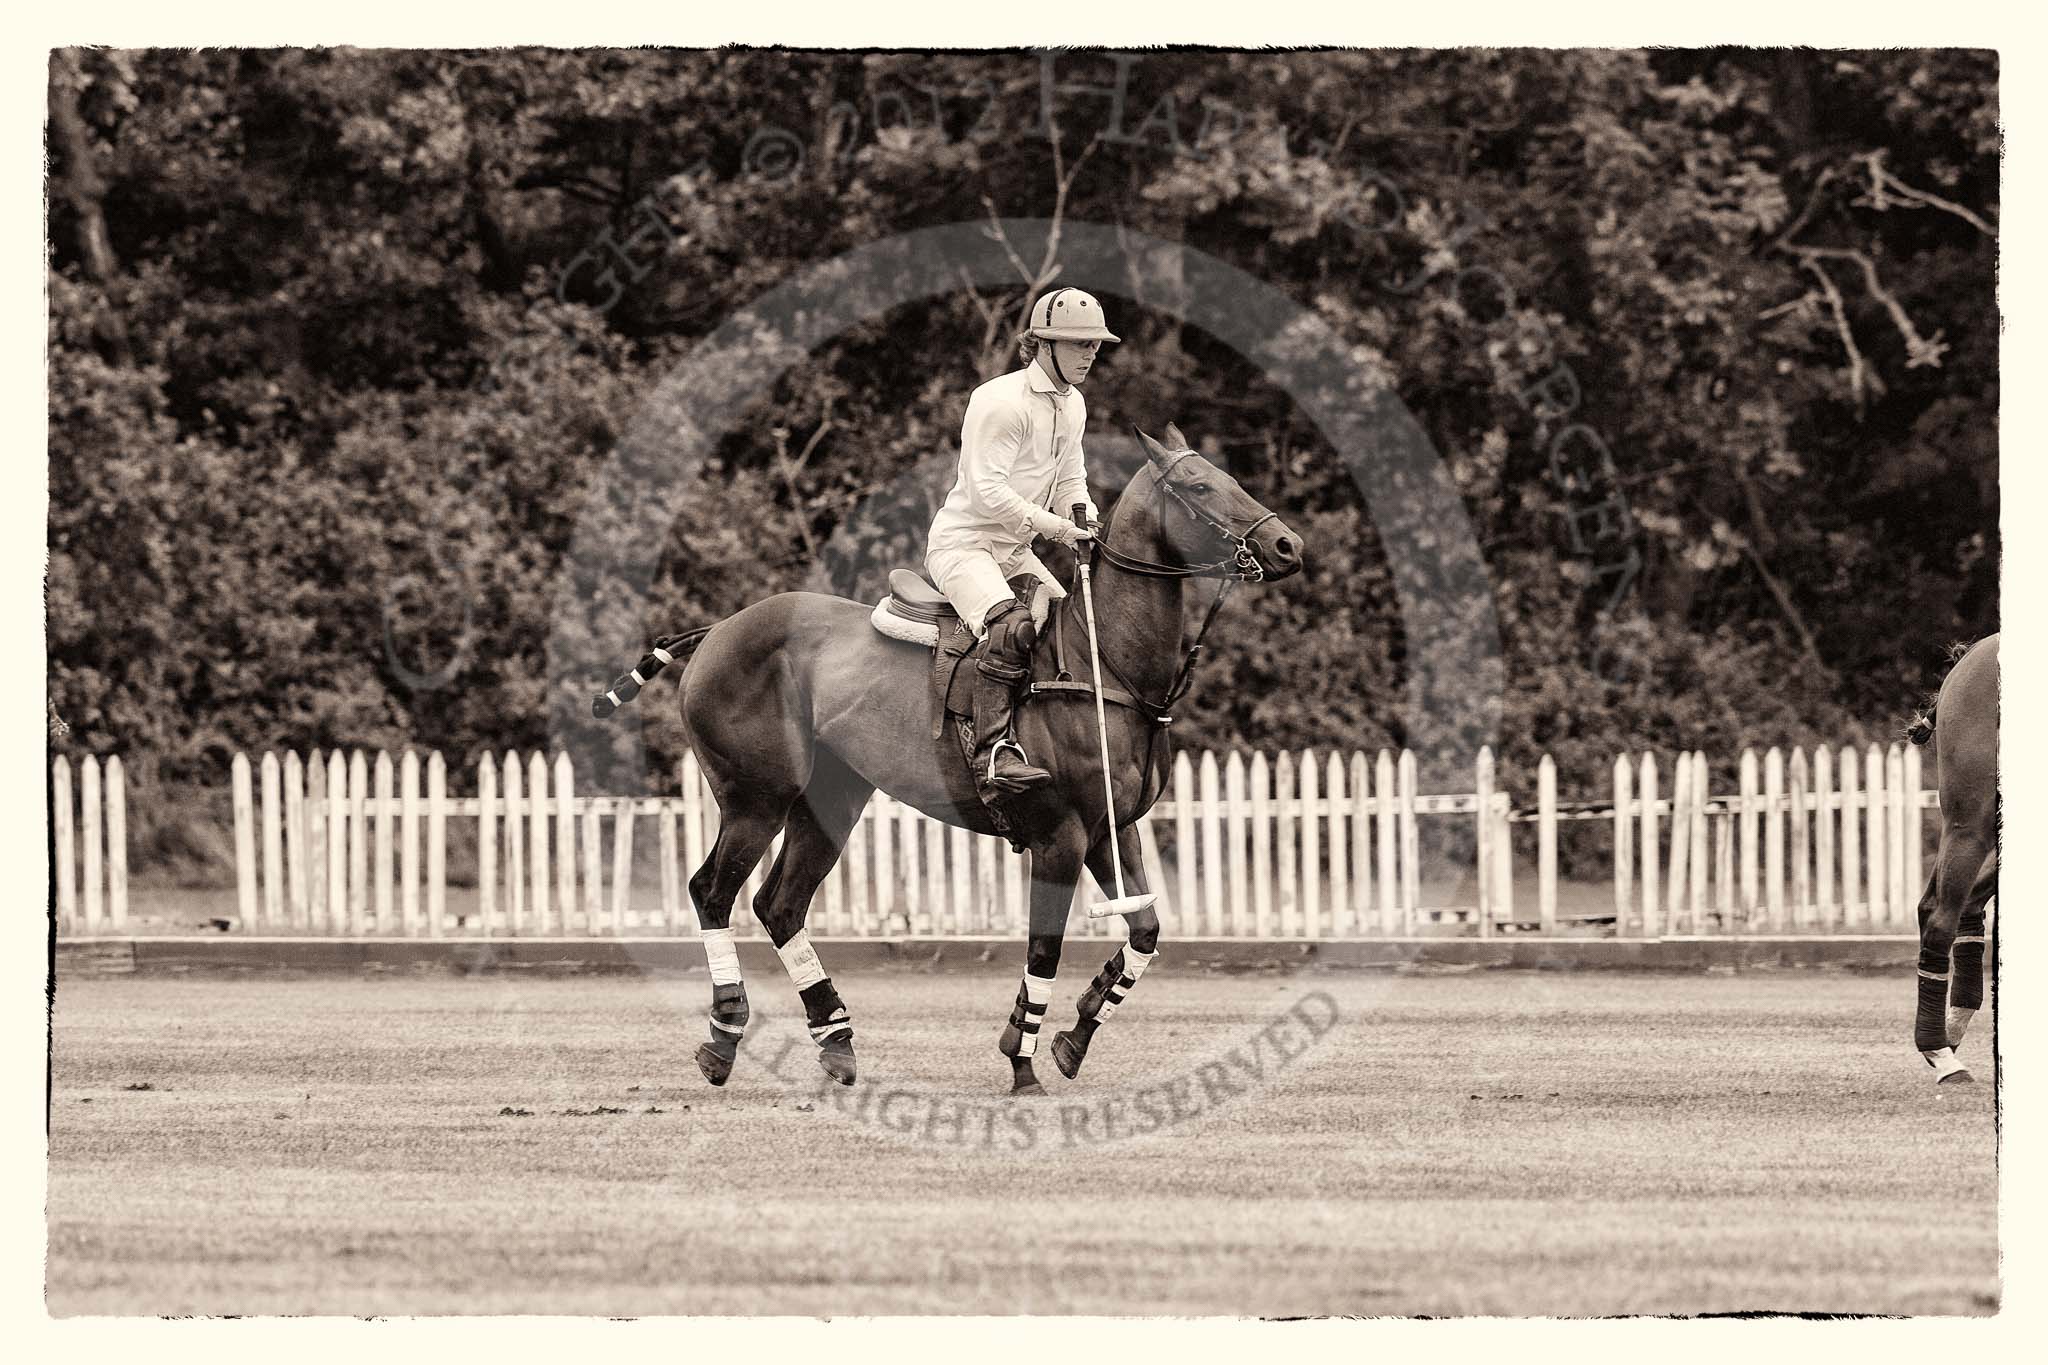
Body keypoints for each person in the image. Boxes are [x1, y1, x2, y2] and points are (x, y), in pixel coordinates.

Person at [927, 287, 1119, 803]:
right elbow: (988, 492)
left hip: (1012, 552)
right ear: (1043, 345)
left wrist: (1085, 515)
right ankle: (993, 752)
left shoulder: (1073, 404)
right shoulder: (999, 401)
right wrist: (1055, 529)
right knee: (1011, 626)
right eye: (1079, 344)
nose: (1090, 354)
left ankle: (1048, 745)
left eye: (1095, 345)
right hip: (965, 545)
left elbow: (1070, 480)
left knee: (1067, 630)